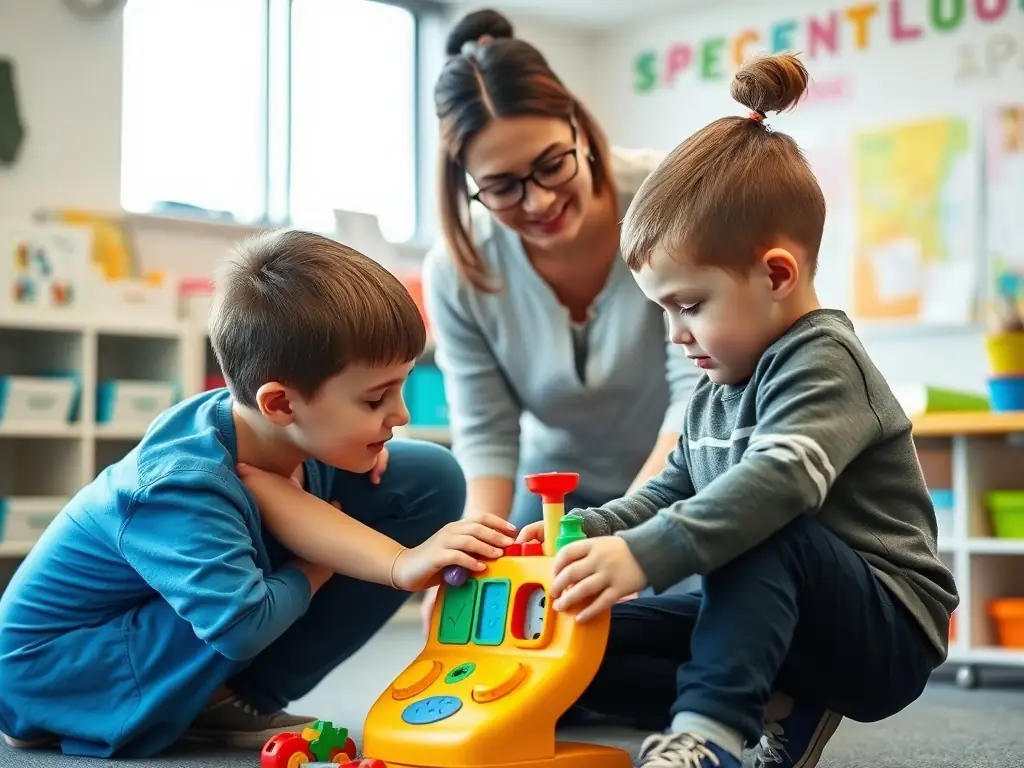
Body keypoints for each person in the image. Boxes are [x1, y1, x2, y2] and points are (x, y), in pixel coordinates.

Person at [516, 54, 960, 768]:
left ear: (777, 275)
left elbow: (777, 486)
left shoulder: (823, 362)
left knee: (763, 523)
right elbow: (669, 491)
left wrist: (646, 553)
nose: (675, 334)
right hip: (791, 624)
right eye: (663, 311)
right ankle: (780, 704)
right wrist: (570, 535)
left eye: (689, 306)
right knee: (590, 627)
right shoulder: (720, 382)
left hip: (885, 631)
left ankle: (712, 733)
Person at [0, 230, 515, 759]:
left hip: (157, 623)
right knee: (243, 603)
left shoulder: (269, 429)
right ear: (281, 405)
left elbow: (351, 490)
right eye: (375, 398)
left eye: (400, 388)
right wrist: (317, 565)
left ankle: (230, 700)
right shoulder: (180, 485)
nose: (400, 414)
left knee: (425, 475)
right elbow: (242, 626)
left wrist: (354, 449)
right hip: (55, 672)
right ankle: (190, 704)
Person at [423, 9, 701, 531]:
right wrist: (473, 551)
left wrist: (622, 531)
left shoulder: (668, 198)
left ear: (577, 126)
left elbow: (696, 392)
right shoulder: (457, 271)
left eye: (552, 164)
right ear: (467, 180)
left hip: (683, 473)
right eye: (503, 186)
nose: (540, 201)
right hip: (554, 486)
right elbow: (487, 436)